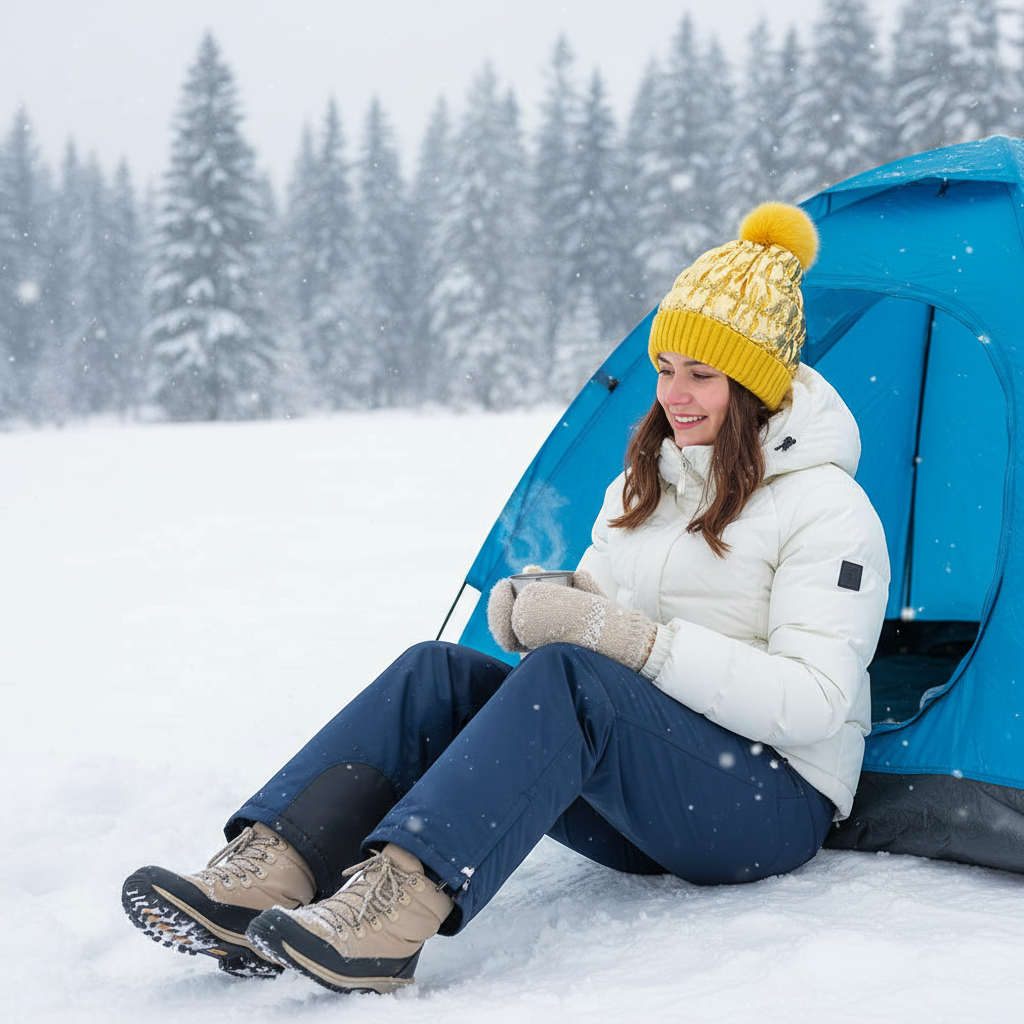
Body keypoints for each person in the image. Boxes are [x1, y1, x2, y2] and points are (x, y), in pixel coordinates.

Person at [121, 202, 889, 996]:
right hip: (649, 799)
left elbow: (815, 702)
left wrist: (628, 642)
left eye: (703, 374)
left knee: (574, 680)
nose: (675, 396)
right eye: (664, 369)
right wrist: (551, 602)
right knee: (437, 672)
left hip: (765, 807)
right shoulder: (648, 481)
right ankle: (267, 873)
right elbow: (608, 608)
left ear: (756, 385)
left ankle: (389, 914)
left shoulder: (827, 509)